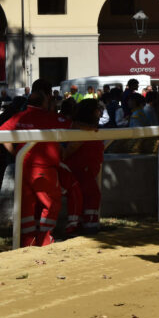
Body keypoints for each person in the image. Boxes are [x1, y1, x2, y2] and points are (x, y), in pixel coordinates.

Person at [0, 79, 72, 247]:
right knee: (52, 202)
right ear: (47, 99)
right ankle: (45, 239)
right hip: (44, 169)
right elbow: (74, 127)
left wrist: (18, 154)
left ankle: (27, 241)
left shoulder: (19, 116)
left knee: (27, 205)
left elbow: (2, 133)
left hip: (23, 168)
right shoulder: (51, 118)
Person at [63, 99, 104, 234]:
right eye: (98, 109)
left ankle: (83, 224)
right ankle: (87, 226)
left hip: (87, 170)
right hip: (81, 170)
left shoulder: (88, 129)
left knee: (89, 195)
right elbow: (70, 149)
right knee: (92, 195)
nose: (100, 112)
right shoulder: (78, 129)